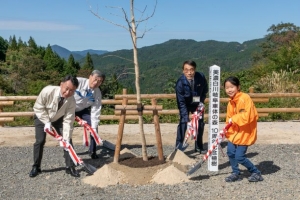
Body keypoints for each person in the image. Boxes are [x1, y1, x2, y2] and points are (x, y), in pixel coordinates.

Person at [29, 75, 79, 178]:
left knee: (68, 141)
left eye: (72, 91)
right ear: (61, 84)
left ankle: (70, 166)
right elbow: (38, 107)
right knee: (40, 140)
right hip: (42, 117)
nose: (68, 93)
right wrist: (46, 122)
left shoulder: (71, 100)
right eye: (67, 89)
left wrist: (66, 137)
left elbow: (68, 120)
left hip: (58, 119)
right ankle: (36, 166)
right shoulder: (47, 91)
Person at [223, 76, 263, 182]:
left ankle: (256, 172)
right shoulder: (230, 102)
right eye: (227, 87)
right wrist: (226, 131)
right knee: (231, 153)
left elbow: (248, 116)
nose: (229, 90)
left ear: (238, 87)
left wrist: (234, 119)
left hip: (245, 133)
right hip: (234, 134)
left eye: (232, 87)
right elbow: (229, 120)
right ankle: (235, 172)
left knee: (240, 157)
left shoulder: (245, 98)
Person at [175, 60, 208, 154]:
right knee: (183, 123)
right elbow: (180, 102)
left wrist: (201, 102)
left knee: (200, 124)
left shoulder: (200, 77)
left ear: (195, 70)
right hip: (185, 104)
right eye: (186, 70)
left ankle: (199, 147)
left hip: (197, 103)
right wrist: (186, 117)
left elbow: (205, 90)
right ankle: (178, 148)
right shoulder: (180, 83)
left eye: (191, 70)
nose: (189, 72)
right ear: (183, 71)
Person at [74, 70, 105, 159]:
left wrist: (94, 127)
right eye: (95, 79)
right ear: (90, 76)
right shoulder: (78, 82)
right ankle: (70, 152)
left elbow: (96, 109)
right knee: (67, 128)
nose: (96, 83)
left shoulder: (97, 92)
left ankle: (93, 151)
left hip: (83, 110)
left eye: (99, 81)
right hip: (69, 109)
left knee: (93, 126)